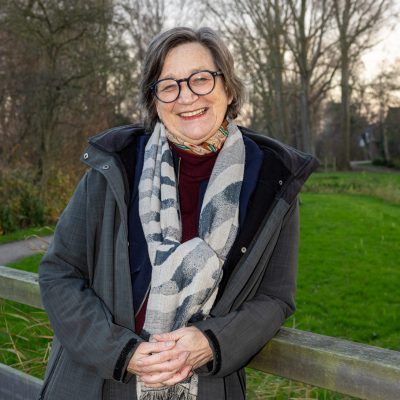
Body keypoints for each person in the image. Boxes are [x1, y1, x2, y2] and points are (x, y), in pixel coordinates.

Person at [38, 27, 318, 400]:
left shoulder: (272, 180)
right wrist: (121, 352)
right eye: (168, 86)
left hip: (206, 386)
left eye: (201, 79)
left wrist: (213, 342)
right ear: (154, 101)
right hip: (98, 384)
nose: (186, 96)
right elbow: (59, 272)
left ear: (228, 88)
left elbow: (275, 297)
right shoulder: (116, 166)